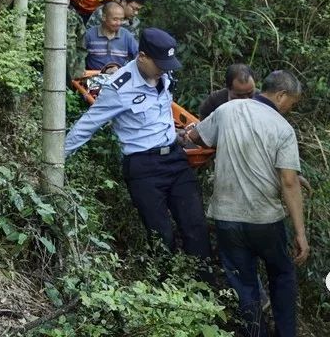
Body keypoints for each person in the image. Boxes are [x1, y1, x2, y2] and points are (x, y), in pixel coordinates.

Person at [65, 29, 213, 264]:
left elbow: (162, 113)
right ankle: (165, 283)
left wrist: (178, 135)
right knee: (160, 234)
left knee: (195, 226)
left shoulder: (166, 76)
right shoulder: (119, 88)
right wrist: (57, 157)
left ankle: (204, 283)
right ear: (142, 56)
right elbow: (87, 125)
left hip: (175, 159)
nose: (165, 68)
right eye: (160, 63)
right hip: (143, 167)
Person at [185, 70, 308, 337]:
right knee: (282, 275)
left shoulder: (227, 110)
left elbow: (196, 138)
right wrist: (300, 233)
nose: (290, 108)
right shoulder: (282, 128)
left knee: (244, 285)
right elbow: (288, 182)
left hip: (227, 218)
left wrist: (190, 131)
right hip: (265, 220)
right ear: (281, 95)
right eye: (292, 102)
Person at [84, 1, 138, 71]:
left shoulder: (126, 35)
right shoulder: (89, 35)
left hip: (119, 77)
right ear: (104, 17)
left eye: (121, 19)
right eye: (115, 19)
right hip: (93, 77)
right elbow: (79, 57)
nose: (119, 23)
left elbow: (138, 57)